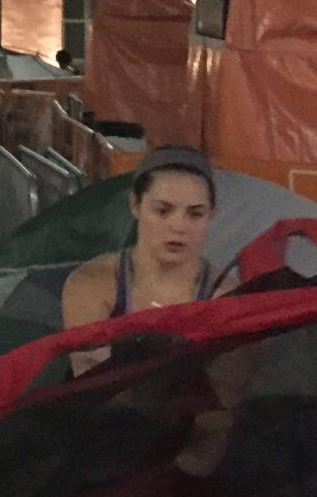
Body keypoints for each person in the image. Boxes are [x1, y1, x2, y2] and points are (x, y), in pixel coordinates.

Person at [59, 145, 223, 373]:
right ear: (135, 206)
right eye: (162, 211)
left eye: (195, 214)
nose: (178, 227)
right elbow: (91, 387)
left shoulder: (224, 296)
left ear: (211, 215)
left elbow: (227, 395)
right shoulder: (93, 284)